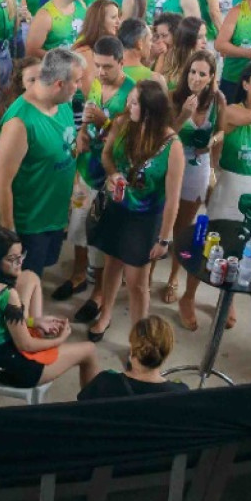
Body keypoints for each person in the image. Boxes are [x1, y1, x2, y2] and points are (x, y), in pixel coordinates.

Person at [86, 77, 183, 340]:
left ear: (151, 109)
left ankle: (138, 337)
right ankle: (105, 315)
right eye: (129, 102)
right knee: (111, 266)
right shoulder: (122, 124)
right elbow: (106, 156)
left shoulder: (172, 146)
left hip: (144, 219)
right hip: (116, 209)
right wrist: (113, 173)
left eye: (135, 104)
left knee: (137, 283)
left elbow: (173, 199)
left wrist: (164, 239)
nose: (129, 108)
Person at [0, 225, 105, 394]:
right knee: (89, 350)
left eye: (21, 256)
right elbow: (26, 344)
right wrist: (61, 339)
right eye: (12, 259)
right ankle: (93, 409)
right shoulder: (7, 295)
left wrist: (33, 321)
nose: (19, 263)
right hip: (12, 368)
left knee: (30, 277)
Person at [0, 48, 81, 278]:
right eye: (77, 81)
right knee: (25, 283)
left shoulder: (63, 104)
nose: (79, 87)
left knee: (41, 271)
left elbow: (68, 147)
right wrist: (9, 233)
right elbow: (2, 182)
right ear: (59, 84)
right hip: (31, 225)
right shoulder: (19, 123)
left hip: (56, 214)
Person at [77, 316, 188, 399]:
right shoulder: (180, 393)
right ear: (167, 351)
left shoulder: (105, 382)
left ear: (132, 347)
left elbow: (83, 404)